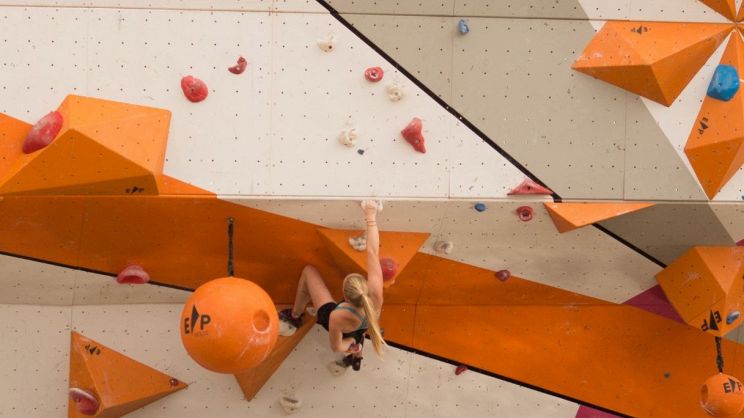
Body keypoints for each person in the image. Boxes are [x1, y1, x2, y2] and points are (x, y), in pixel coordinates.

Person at [279, 200, 386, 370]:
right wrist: (370, 215)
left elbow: (336, 347)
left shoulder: (337, 315)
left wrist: (349, 344)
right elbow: (373, 251)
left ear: (344, 297)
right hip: (362, 323)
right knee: (358, 334)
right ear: (366, 287)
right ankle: (356, 355)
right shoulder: (376, 297)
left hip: (343, 324)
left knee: (308, 272)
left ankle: (295, 315)